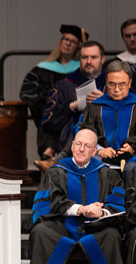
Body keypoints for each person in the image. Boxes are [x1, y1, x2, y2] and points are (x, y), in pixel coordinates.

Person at [29, 128, 125, 264]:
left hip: (95, 228)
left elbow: (118, 203)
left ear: (95, 150)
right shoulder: (56, 171)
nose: (81, 149)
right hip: (61, 227)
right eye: (78, 144)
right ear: (72, 146)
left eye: (87, 146)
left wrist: (100, 212)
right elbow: (49, 202)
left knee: (112, 234)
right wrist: (82, 209)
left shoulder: (108, 174)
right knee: (41, 231)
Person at [35, 41, 106, 171]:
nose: (89, 61)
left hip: (106, 137)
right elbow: (48, 124)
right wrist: (72, 106)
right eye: (84, 57)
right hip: (70, 138)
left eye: (93, 57)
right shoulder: (64, 85)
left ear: (102, 59)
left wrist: (105, 100)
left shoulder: (112, 83)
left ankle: (56, 160)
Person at [21, 24, 88, 160]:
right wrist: (48, 105)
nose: (68, 44)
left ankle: (53, 154)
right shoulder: (42, 68)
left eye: (73, 41)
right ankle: (48, 152)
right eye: (65, 39)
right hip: (50, 109)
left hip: (75, 110)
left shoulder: (81, 70)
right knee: (49, 118)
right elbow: (28, 93)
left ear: (78, 47)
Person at [82, 60, 136, 184]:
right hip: (101, 156)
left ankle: (130, 203)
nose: (117, 89)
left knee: (132, 169)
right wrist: (99, 150)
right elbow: (86, 133)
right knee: (91, 166)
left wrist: (132, 147)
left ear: (130, 83)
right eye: (112, 84)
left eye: (122, 84)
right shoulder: (95, 106)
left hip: (132, 158)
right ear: (106, 82)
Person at [104, 19, 136, 90]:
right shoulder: (112, 64)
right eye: (128, 36)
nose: (132, 39)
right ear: (123, 38)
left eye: (135, 34)